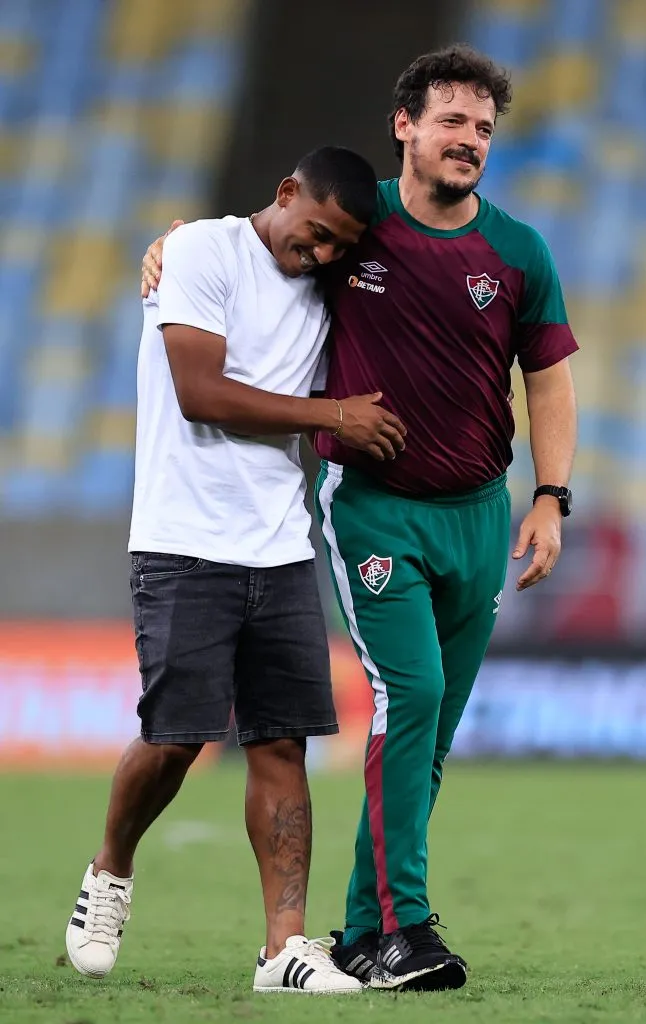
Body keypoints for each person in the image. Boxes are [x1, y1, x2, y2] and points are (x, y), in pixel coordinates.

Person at [141, 44, 578, 993]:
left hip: (477, 514)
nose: (470, 141)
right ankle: (402, 927)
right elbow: (263, 235)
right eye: (453, 122)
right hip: (375, 510)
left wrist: (550, 495)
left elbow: (547, 376)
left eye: (484, 130)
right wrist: (177, 243)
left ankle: (363, 931)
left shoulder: (518, 251)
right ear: (406, 126)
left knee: (429, 733)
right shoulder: (357, 219)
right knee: (408, 698)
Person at [65, 145, 407, 996]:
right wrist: (331, 415)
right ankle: (110, 872)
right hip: (182, 541)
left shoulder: (329, 281)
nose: (322, 254)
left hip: (279, 545)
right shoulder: (199, 252)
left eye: (339, 246)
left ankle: (282, 949)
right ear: (284, 192)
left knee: (281, 741)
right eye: (316, 234)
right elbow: (202, 394)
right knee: (178, 736)